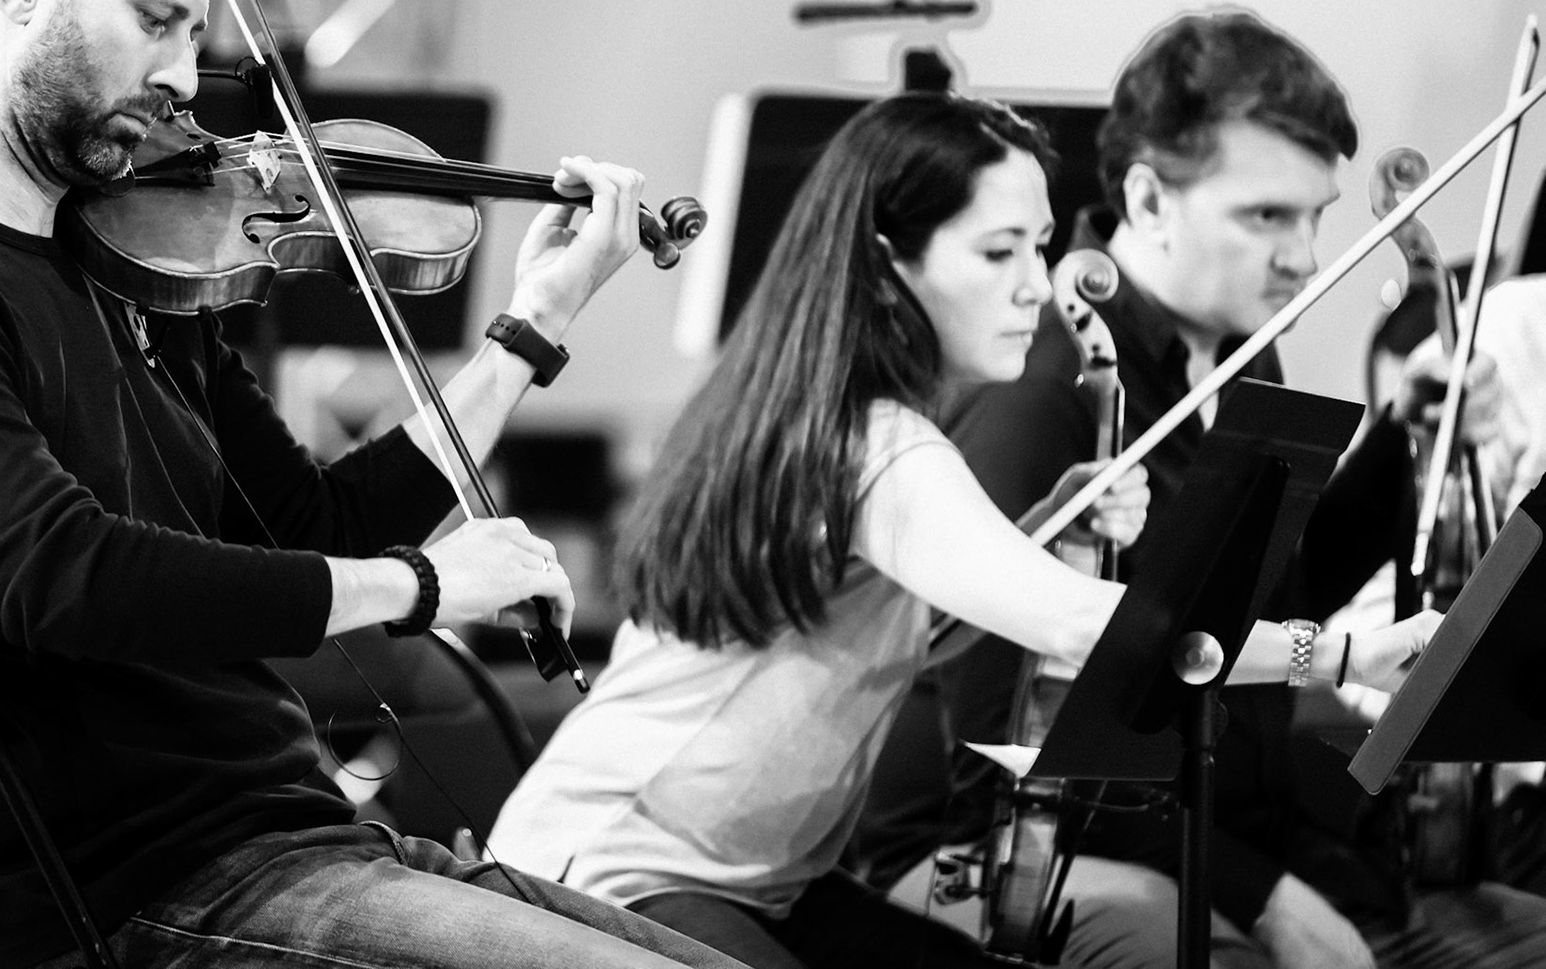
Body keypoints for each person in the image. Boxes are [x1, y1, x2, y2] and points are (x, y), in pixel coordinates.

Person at [0, 0, 748, 969]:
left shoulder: (132, 269)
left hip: (309, 843)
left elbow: (316, 531)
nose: (180, 77)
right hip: (150, 893)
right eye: (155, 20)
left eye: (195, 37)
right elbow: (68, 578)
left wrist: (529, 328)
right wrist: (428, 584)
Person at [483, 89, 1437, 969]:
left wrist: (1027, 531)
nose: (1038, 283)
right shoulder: (879, 442)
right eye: (999, 252)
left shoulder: (826, 408)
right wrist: (1348, 653)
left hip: (756, 881)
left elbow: (879, 625)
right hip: (611, 875)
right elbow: (1090, 630)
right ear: (890, 263)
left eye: (1041, 245)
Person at [856, 8, 1546, 969]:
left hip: (1228, 841)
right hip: (1026, 865)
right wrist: (1266, 899)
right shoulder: (1042, 392)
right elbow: (1009, 753)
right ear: (1147, 200)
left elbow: (1282, 598)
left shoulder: (1247, 365)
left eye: (1315, 216)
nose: (1303, 257)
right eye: (1266, 216)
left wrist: (1404, 441)